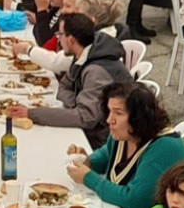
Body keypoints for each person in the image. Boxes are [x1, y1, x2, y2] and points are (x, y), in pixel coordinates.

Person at [65, 82, 184, 208]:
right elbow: (108, 154)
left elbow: (133, 202)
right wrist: (87, 160)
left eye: (118, 113)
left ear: (138, 117)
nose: (109, 120)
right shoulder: (126, 133)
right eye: (109, 111)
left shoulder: (163, 148)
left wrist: (88, 178)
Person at [8, 14, 132, 149]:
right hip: (97, 128)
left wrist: (31, 113)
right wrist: (78, 102)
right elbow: (64, 86)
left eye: (60, 35)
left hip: (106, 141)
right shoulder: (85, 53)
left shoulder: (95, 71)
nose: (58, 39)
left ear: (71, 40)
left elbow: (85, 118)